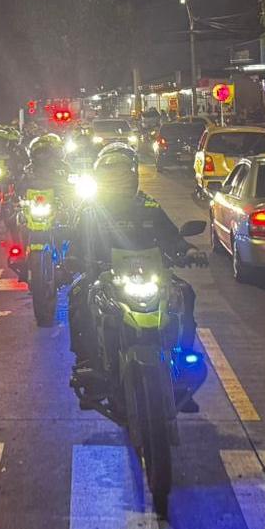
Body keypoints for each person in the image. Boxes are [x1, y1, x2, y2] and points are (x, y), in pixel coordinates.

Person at [66, 145, 194, 384]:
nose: (117, 182)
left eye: (122, 175)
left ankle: (184, 357)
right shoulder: (91, 211)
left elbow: (171, 235)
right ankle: (87, 360)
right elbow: (77, 241)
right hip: (104, 275)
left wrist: (187, 250)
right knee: (76, 294)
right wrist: (71, 260)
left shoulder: (149, 206)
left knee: (186, 293)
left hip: (151, 275)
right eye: (111, 177)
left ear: (133, 176)